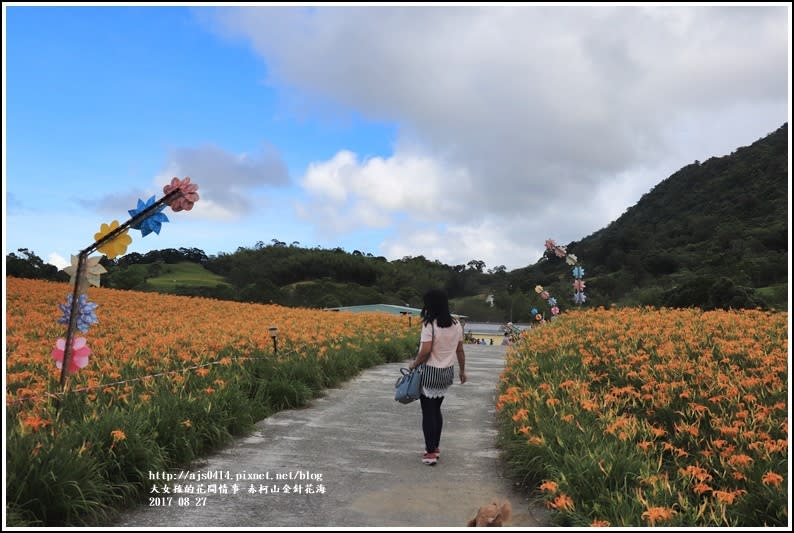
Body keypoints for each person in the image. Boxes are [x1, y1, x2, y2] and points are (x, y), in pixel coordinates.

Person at [408, 288, 466, 465]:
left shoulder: (429, 324)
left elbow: (425, 351)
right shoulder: (456, 325)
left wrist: (414, 364)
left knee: (428, 412)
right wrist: (463, 371)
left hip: (430, 372)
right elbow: (460, 350)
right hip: (446, 373)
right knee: (436, 410)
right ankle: (435, 446)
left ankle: (430, 452)